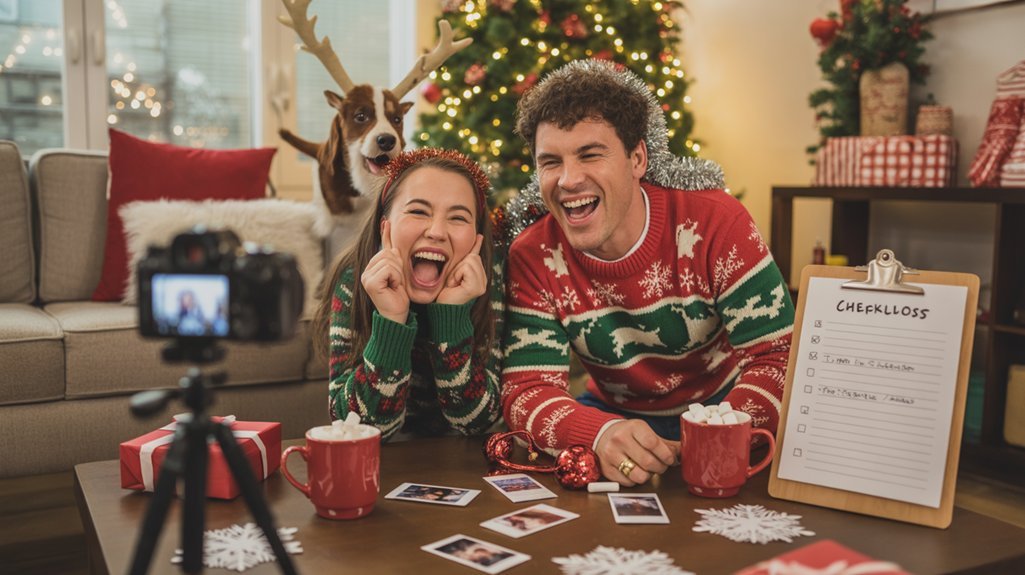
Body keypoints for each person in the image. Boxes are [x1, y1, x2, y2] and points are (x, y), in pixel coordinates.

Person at [501, 60, 795, 486]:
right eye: (550, 162)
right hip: (610, 419)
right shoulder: (533, 255)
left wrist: (717, 430)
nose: (567, 180)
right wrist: (597, 433)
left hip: (727, 409)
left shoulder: (716, 224)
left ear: (637, 158)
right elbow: (527, 389)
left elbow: (780, 357)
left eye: (590, 154)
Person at [313, 148, 504, 440]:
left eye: (458, 218)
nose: (437, 232)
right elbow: (352, 428)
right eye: (417, 211)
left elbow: (478, 422)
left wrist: (451, 320)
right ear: (384, 225)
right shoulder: (354, 281)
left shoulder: (491, 281)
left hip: (465, 461)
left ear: (477, 238)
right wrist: (391, 320)